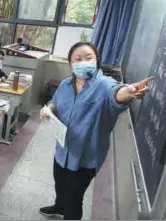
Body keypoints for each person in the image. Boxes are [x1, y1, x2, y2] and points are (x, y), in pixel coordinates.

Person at [38, 42, 152, 220]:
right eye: (78, 59)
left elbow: (116, 94)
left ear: (96, 60)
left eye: (88, 57)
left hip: (85, 158)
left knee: (74, 200)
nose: (83, 62)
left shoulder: (105, 85)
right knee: (60, 185)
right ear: (71, 64)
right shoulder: (66, 84)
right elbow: (55, 101)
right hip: (62, 150)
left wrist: (127, 92)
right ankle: (58, 206)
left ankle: (68, 212)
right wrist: (49, 110)